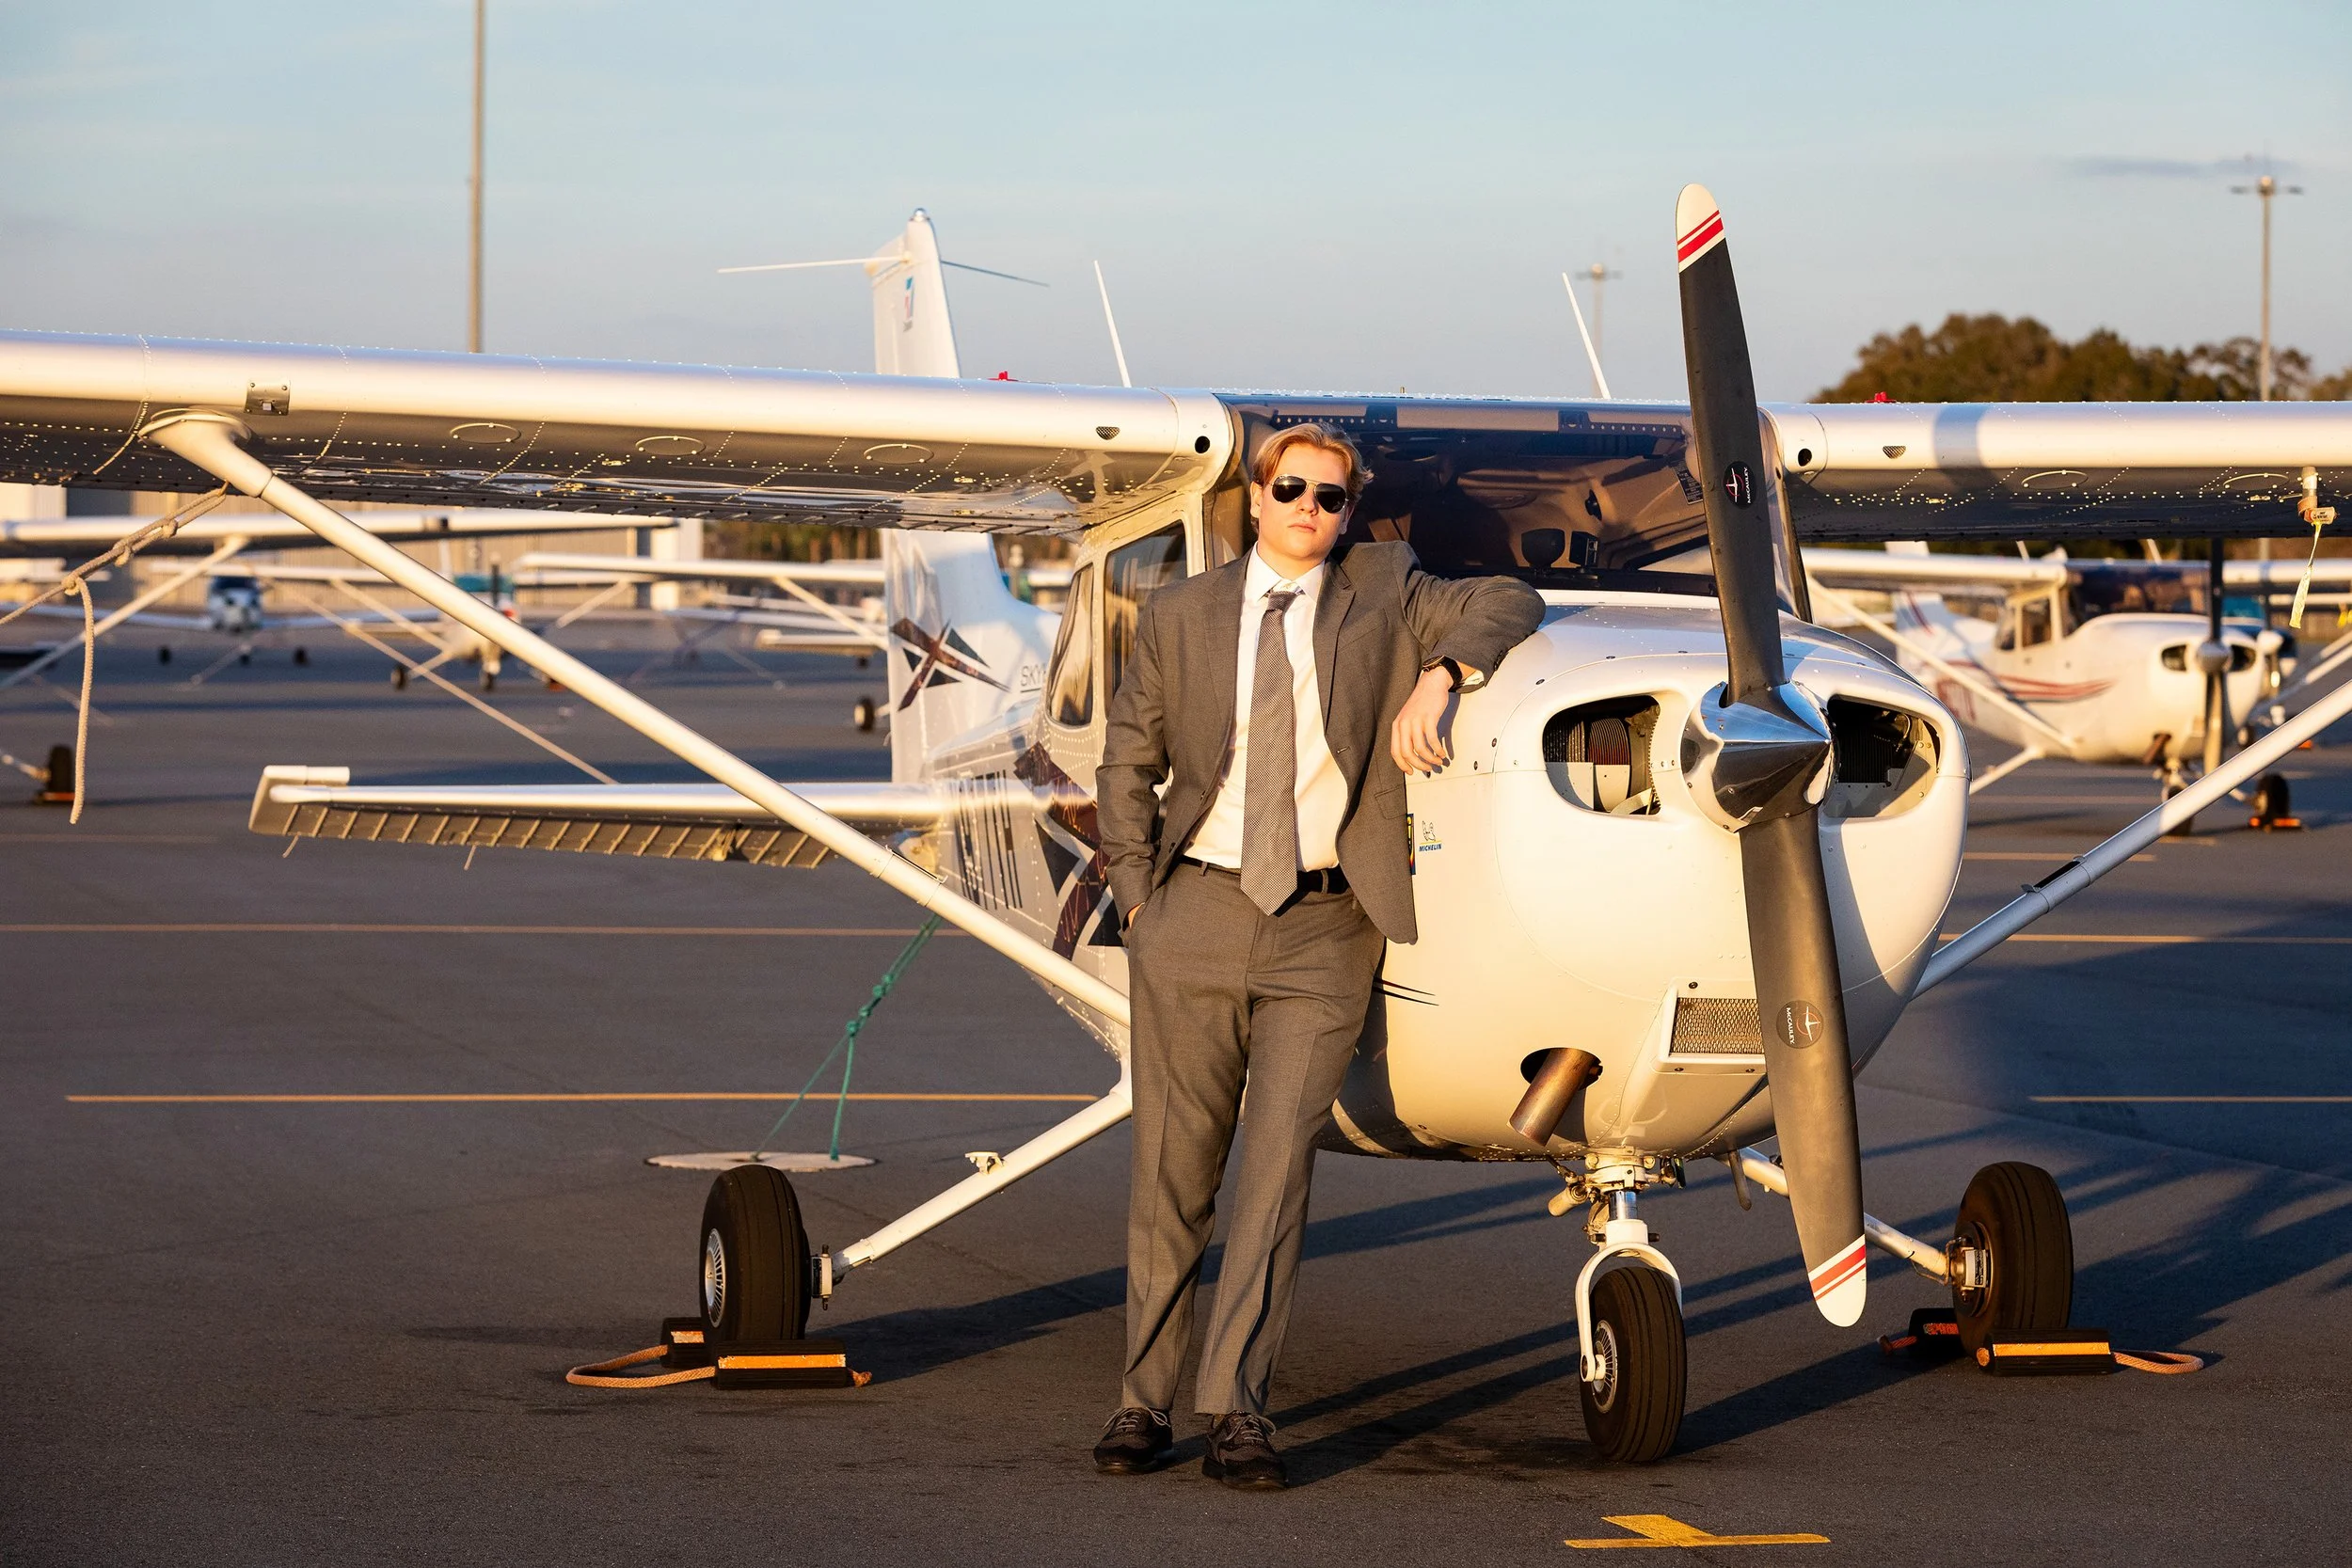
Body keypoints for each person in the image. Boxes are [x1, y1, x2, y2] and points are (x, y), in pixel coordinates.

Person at [1091, 422, 1544, 1489]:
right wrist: (1139, 898)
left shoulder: (1384, 586)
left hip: (1326, 924)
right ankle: (1141, 1400)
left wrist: (1439, 676)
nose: (1310, 508)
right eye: (1291, 488)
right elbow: (1127, 760)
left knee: (1278, 1170)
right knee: (1174, 1168)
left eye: (1331, 497)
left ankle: (1236, 1411)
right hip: (1193, 911)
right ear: (1257, 496)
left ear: (1349, 512)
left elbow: (1509, 602)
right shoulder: (1180, 613)